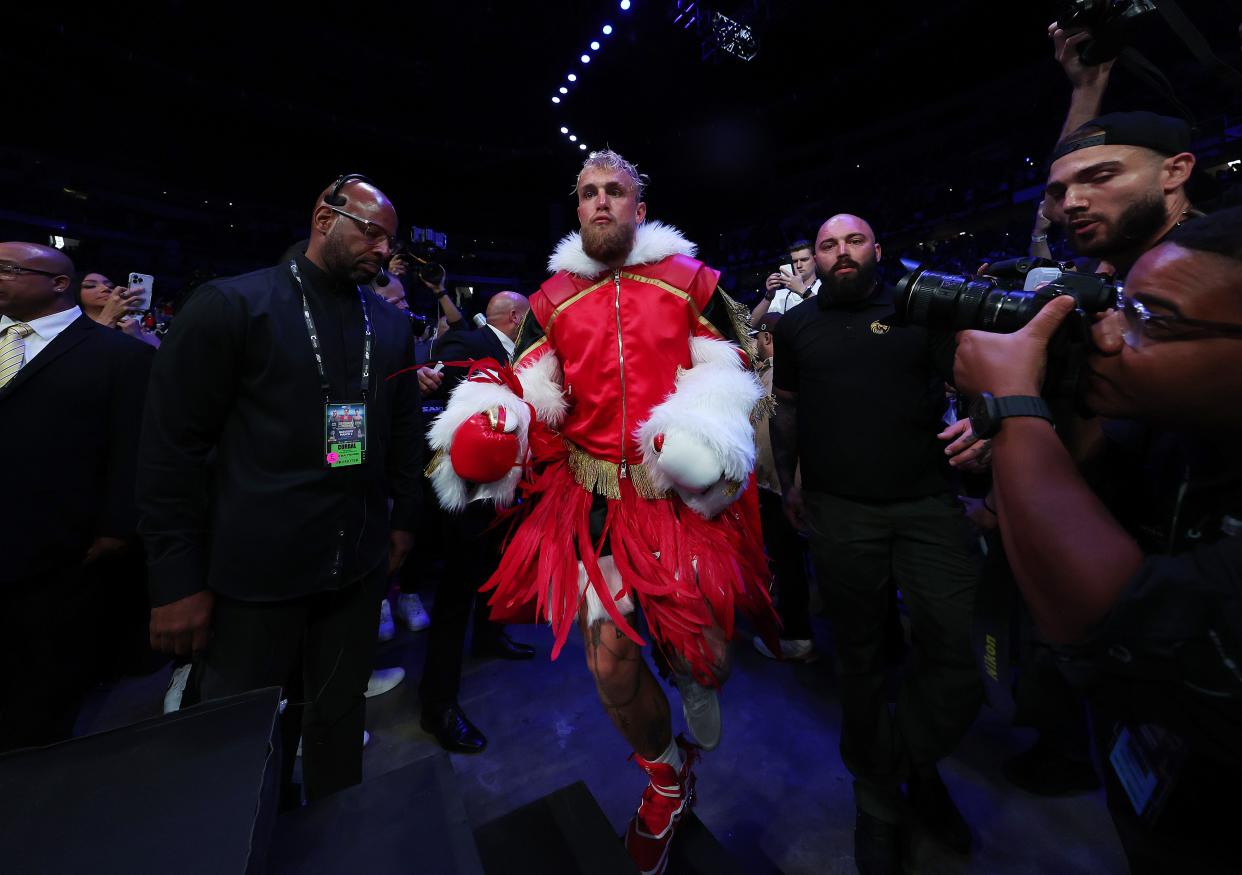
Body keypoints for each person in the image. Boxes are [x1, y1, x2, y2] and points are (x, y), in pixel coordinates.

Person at [427, 149, 778, 874]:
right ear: (576, 208)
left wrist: (703, 430)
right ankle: (666, 777)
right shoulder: (551, 300)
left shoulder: (691, 282)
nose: (600, 202)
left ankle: (689, 665)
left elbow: (734, 366)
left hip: (681, 498)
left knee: (709, 657)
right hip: (594, 501)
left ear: (639, 208)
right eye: (587, 192)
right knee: (610, 664)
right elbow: (523, 387)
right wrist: (490, 424)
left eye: (615, 191)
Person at [952, 206, 1242, 875]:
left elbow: (1106, 613)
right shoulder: (1181, 424)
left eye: (1151, 317)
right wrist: (1058, 403)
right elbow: (1083, 502)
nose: (1108, 336)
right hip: (1164, 781)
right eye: (1119, 306)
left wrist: (1014, 402)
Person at [137, 175, 422, 804]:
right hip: (254, 577)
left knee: (340, 722)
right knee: (241, 743)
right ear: (324, 217)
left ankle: (335, 839)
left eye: (390, 241)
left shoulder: (389, 325)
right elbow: (169, 451)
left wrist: (402, 522)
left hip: (356, 566)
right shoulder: (232, 305)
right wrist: (176, 578)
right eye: (372, 233)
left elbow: (403, 435)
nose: (383, 251)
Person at [770, 214, 982, 873]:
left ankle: (905, 766)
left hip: (927, 504)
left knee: (955, 651)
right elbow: (788, 411)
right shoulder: (796, 326)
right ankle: (879, 797)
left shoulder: (918, 309)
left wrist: (987, 424)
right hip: (840, 511)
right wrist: (792, 483)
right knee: (861, 657)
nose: (840, 253)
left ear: (877, 250)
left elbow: (972, 385)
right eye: (828, 244)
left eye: (853, 240)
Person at [0, 243, 154, 751]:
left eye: (7, 270)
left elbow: (132, 447)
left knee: (42, 678)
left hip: (60, 546)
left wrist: (115, 528)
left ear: (58, 283)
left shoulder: (119, 356)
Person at [417, 290, 536, 754]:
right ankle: (438, 704)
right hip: (465, 489)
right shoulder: (466, 343)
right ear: (515, 317)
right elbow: (438, 395)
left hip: (504, 488)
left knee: (493, 570)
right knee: (456, 591)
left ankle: (489, 636)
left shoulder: (523, 358)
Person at [749, 312, 817, 662]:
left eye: (756, 339)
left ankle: (797, 635)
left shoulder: (778, 377)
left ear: (768, 339)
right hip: (787, 486)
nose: (753, 345)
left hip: (784, 489)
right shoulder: (771, 374)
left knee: (787, 562)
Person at [750, 239, 819, 328]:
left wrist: (801, 290)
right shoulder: (778, 295)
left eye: (804, 260)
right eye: (794, 261)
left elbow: (827, 317)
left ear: (815, 260)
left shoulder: (824, 288)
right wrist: (768, 297)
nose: (798, 265)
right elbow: (752, 324)